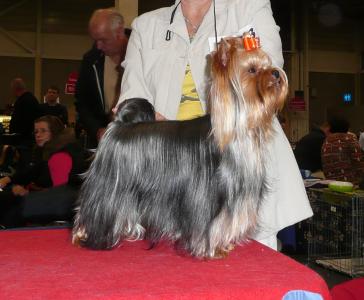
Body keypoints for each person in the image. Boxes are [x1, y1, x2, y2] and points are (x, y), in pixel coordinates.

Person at [116, 0, 313, 250]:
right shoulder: (146, 25)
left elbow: (269, 70)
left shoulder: (249, 8)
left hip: (243, 172)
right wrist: (147, 120)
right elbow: (132, 93)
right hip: (174, 180)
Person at [0, 115, 84, 228]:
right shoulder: (54, 150)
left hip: (65, 210)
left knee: (11, 208)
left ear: (54, 132)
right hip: (70, 205)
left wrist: (29, 193)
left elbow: (60, 194)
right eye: (36, 132)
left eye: (43, 131)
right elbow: (33, 171)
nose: (38, 135)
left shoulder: (58, 156)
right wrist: (10, 179)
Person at [75, 8, 129, 148]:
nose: (98, 46)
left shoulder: (143, 54)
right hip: (102, 143)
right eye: (95, 40)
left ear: (119, 32)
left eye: (103, 40)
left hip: (135, 138)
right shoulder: (90, 60)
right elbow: (82, 103)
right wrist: (97, 130)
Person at [321, 117, 364, 184]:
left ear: (329, 128)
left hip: (332, 182)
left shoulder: (326, 141)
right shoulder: (350, 139)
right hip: (351, 182)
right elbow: (358, 160)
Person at [9, 78, 40, 143]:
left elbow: (21, 121)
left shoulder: (22, 101)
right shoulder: (32, 98)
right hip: (29, 137)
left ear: (15, 89)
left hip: (23, 140)